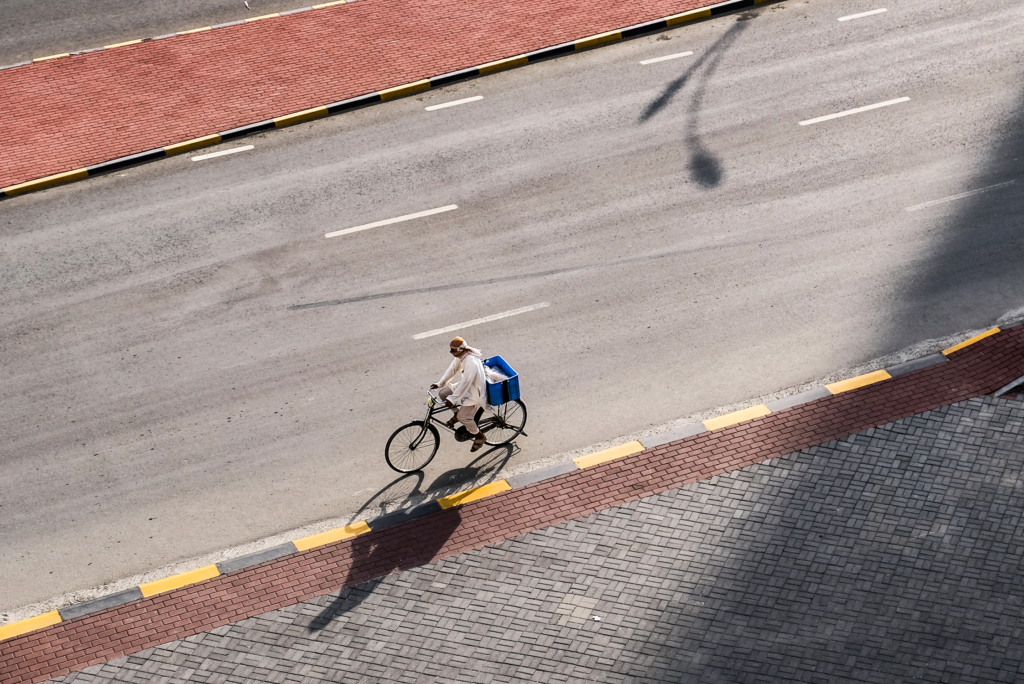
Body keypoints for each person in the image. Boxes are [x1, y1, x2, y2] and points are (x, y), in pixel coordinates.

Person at [430, 337, 488, 452]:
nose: (452, 353)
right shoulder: (461, 356)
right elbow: (452, 369)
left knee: (463, 417)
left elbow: (467, 382)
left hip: (475, 392)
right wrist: (440, 384)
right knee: (443, 393)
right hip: (467, 387)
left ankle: (479, 436)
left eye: (454, 351)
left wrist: (452, 399)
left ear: (461, 350)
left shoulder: (470, 361)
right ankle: (456, 414)